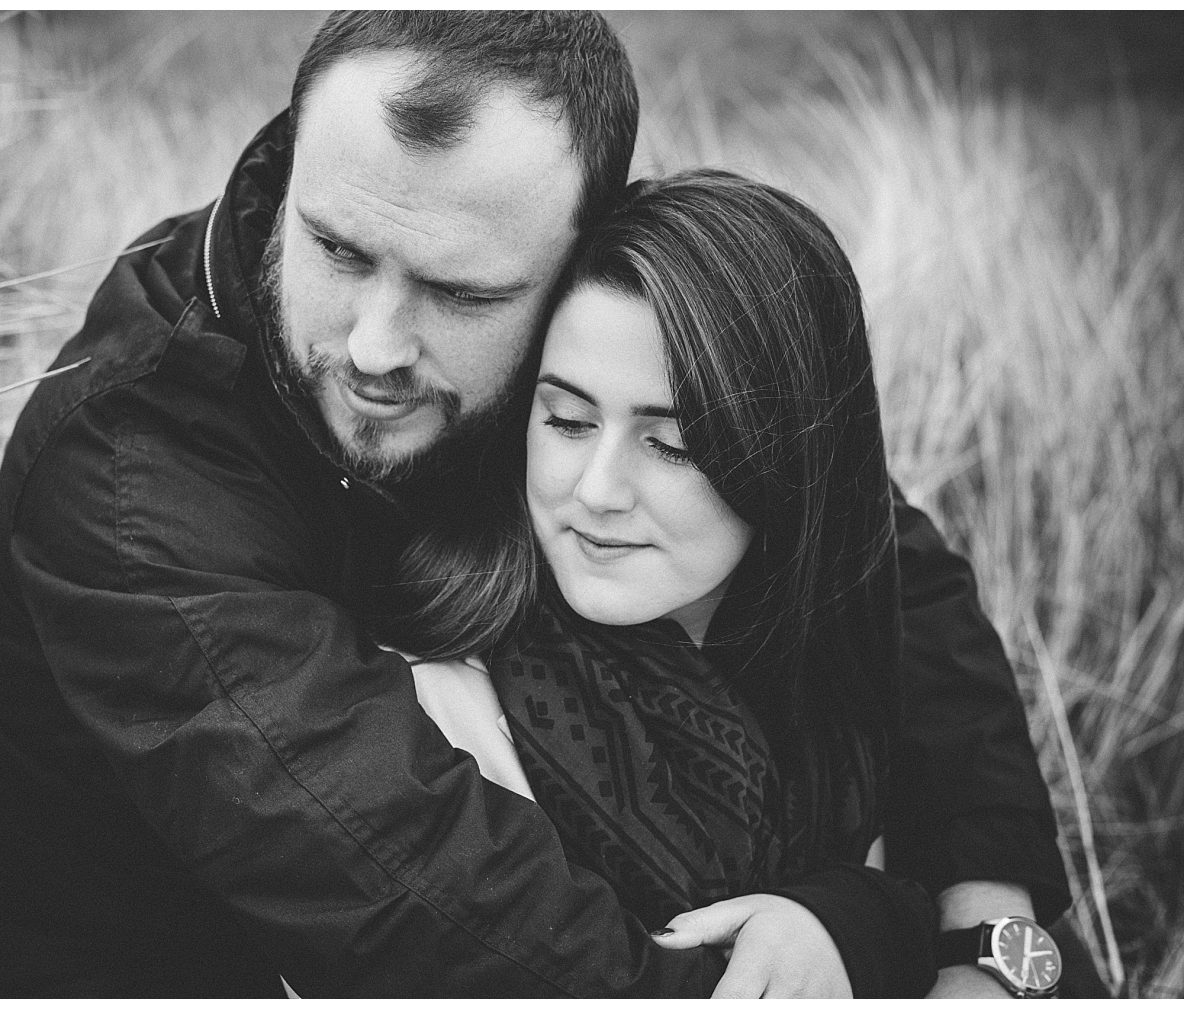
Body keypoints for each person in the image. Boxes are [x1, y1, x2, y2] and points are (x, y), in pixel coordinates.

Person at [0, 11, 1067, 997]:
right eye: (336, 248)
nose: (376, 348)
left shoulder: (575, 322)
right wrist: (873, 930)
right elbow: (431, 904)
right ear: (290, 178)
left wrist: (989, 939)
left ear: (576, 254)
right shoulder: (133, 482)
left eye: (460, 292)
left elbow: (863, 545)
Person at [396, 169, 942, 998]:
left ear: (788, 460)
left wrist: (847, 919)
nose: (597, 490)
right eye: (568, 420)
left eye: (675, 444)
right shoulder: (444, 708)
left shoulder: (832, 664)